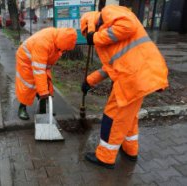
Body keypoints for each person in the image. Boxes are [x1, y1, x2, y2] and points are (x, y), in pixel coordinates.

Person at [80, 5, 168, 169]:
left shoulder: (107, 13)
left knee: (112, 117)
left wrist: (96, 37)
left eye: (87, 33)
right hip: (139, 75)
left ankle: (105, 157)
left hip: (134, 77)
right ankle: (130, 150)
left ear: (90, 24)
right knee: (129, 116)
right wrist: (89, 81)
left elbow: (128, 24)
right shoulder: (111, 37)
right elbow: (110, 67)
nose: (89, 38)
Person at [15, 27, 77, 120]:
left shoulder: (58, 39)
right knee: (28, 85)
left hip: (40, 61)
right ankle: (22, 107)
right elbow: (39, 70)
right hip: (26, 60)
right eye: (64, 49)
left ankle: (43, 110)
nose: (64, 52)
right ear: (61, 42)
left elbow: (45, 64)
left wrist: (44, 89)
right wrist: (43, 91)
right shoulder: (43, 43)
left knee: (46, 84)